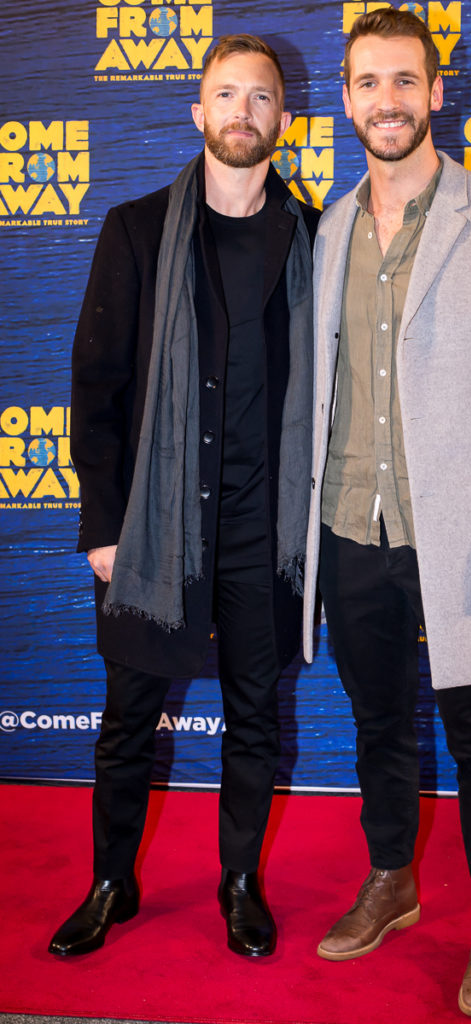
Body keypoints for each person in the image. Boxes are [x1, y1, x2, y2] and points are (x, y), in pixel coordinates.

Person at [302, 8, 471, 1018]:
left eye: (405, 80)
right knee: (377, 722)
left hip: (462, 536)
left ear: (436, 92)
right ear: (346, 99)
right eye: (368, 82)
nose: (388, 101)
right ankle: (393, 878)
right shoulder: (327, 229)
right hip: (349, 522)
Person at [49, 34, 318, 960]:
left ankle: (239, 882)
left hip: (263, 525)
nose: (243, 111)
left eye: (261, 97)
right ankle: (111, 883)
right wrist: (103, 525)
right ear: (198, 111)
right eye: (226, 95)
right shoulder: (135, 228)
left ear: (284, 118)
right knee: (129, 715)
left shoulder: (311, 236)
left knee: (255, 714)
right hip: (153, 525)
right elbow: (97, 386)